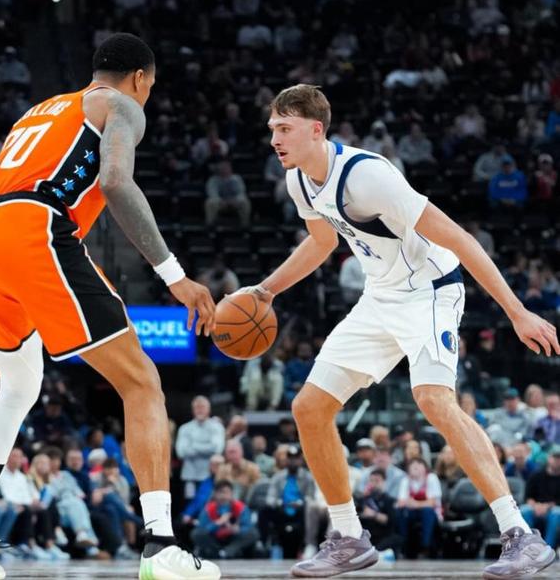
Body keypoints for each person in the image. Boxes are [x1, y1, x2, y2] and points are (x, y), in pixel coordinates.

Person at [238, 84, 558, 578]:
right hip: (381, 295)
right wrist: (266, 290)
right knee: (309, 408)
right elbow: (321, 242)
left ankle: (521, 535)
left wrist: (517, 312)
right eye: (272, 129)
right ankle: (348, 537)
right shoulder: (299, 180)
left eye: (284, 128)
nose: (274, 139)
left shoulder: (368, 176)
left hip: (430, 289)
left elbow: (460, 238)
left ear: (316, 130)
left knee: (433, 399)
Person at [0, 33, 219, 580]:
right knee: (142, 383)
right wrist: (175, 277)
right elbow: (115, 182)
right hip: (32, 228)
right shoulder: (121, 105)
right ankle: (162, 546)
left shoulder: (40, 110)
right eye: (150, 86)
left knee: (18, 388)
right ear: (140, 78)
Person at [190, 480, 258, 559]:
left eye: (226, 492)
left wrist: (237, 530)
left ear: (231, 494)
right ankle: (217, 552)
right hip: (214, 539)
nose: (223, 496)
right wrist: (217, 523)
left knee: (253, 533)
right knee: (196, 533)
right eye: (220, 492)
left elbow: (247, 526)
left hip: (233, 538)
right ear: (215, 494)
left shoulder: (241, 508)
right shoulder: (208, 509)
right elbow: (202, 528)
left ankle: (227, 552)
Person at [175, 396, 226, 501]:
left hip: (210, 475)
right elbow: (181, 452)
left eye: (202, 407)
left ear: (209, 409)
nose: (200, 410)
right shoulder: (184, 428)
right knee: (190, 505)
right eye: (197, 407)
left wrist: (193, 445)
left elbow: (217, 449)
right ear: (192, 410)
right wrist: (207, 447)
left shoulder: (217, 427)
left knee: (208, 504)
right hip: (189, 477)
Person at [519, 445, 560, 549]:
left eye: (559, 458)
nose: (557, 461)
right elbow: (528, 496)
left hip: (553, 509)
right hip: (535, 507)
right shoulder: (536, 475)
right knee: (524, 510)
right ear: (549, 458)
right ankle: (530, 547)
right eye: (555, 457)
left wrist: (547, 507)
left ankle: (547, 549)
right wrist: (535, 506)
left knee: (556, 513)